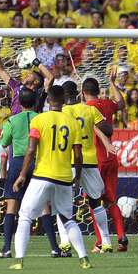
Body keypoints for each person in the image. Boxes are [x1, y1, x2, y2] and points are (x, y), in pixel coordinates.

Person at [9, 86, 91, 270]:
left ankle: (19, 261)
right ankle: (84, 259)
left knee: (24, 216)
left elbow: (31, 150)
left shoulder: (38, 120)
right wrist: (77, 176)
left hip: (42, 176)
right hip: (63, 178)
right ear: (63, 101)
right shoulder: (73, 123)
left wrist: (22, 174)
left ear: (48, 101)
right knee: (68, 219)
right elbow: (78, 155)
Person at [0, 87, 68, 259]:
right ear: (35, 102)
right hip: (37, 163)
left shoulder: (11, 121)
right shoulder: (41, 119)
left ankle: (6, 248)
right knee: (44, 206)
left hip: (18, 163)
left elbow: (4, 143)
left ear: (19, 103)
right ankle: (55, 248)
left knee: (12, 206)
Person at [56, 80, 115, 255]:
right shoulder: (89, 110)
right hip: (89, 160)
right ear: (79, 93)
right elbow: (108, 130)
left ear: (62, 96)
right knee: (96, 202)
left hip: (68, 161)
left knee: (62, 204)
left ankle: (65, 241)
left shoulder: (60, 112)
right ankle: (106, 241)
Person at [83, 77, 129, 252]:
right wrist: (112, 83)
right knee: (110, 200)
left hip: (95, 160)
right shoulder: (107, 104)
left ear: (83, 92)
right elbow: (121, 103)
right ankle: (121, 236)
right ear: (98, 90)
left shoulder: (86, 109)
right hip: (111, 158)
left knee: (94, 202)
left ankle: (100, 241)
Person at [0, 33, 54, 114]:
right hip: (15, 122)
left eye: (29, 75)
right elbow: (0, 70)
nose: (26, 75)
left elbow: (50, 78)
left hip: (31, 124)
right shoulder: (16, 86)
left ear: (36, 82)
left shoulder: (39, 93)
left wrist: (36, 62)